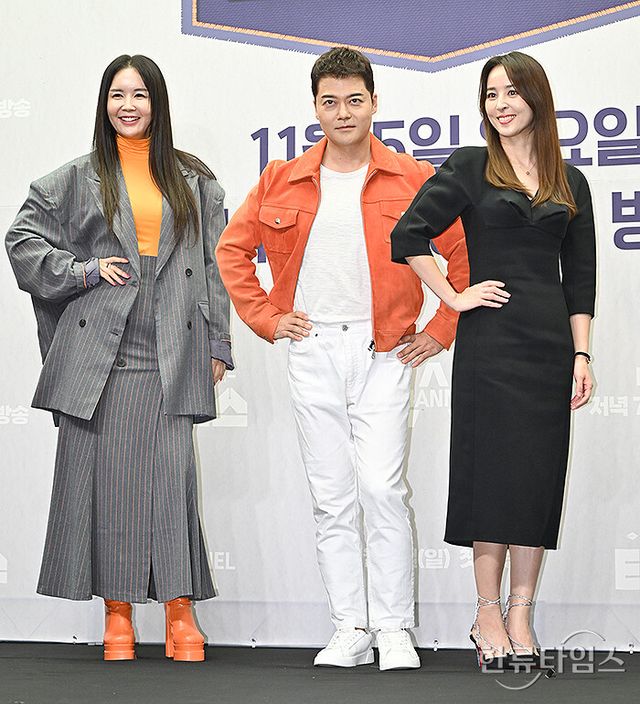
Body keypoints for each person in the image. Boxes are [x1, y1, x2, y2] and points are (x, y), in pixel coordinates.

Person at [216, 46, 468, 670]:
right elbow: (231, 251)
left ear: (375, 102)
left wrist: (441, 326)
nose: (344, 112)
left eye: (355, 100)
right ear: (315, 108)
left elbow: (463, 254)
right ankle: (349, 626)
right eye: (330, 102)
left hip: (386, 351)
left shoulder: (413, 178)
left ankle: (394, 628)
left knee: (382, 489)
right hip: (313, 348)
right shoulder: (282, 179)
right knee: (332, 497)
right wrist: (268, 318)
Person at [5, 54, 233, 662]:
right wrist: (81, 270)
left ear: (158, 103)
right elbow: (21, 241)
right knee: (106, 487)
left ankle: (181, 612)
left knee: (172, 483)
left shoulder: (196, 180)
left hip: (173, 344)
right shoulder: (76, 178)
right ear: (104, 103)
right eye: (117, 94)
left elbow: (214, 264)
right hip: (102, 352)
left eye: (140, 94)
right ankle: (118, 615)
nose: (128, 106)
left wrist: (218, 343)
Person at [390, 51, 596, 668]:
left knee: (535, 479)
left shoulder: (570, 181)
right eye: (490, 94)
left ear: (537, 97)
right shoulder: (471, 166)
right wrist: (453, 297)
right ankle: (486, 613)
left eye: (511, 92)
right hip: (490, 346)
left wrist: (582, 353)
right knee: (491, 479)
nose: (500, 104)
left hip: (548, 347)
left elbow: (581, 278)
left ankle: (521, 614)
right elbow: (408, 234)